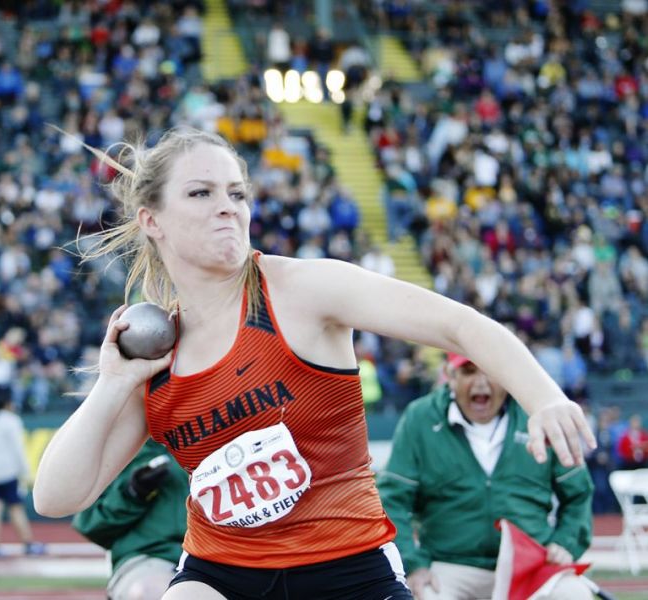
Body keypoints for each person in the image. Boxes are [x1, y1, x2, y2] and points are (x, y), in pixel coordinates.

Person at [32, 128, 595, 599]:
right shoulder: (156, 356)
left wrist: (543, 397)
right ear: (152, 220)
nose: (227, 206)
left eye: (237, 192)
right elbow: (56, 497)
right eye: (201, 193)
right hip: (222, 575)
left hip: (348, 565)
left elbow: (459, 325)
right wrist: (113, 384)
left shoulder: (301, 291)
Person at [377, 353, 595, 600]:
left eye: (490, 370)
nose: (481, 383)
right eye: (469, 371)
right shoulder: (420, 418)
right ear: (450, 375)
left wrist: (566, 542)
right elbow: (392, 499)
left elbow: (579, 492)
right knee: (426, 595)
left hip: (531, 563)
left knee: (574, 595)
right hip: (449, 564)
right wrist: (413, 564)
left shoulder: (538, 414)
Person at [72, 439, 188, 600]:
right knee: (150, 591)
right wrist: (133, 493)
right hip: (149, 555)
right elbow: (89, 524)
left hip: (212, 555)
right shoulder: (115, 449)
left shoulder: (217, 439)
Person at [0, 392, 44, 556]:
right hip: (7, 469)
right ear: (7, 403)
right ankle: (27, 543)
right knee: (15, 507)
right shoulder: (11, 421)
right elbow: (18, 449)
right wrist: (25, 471)